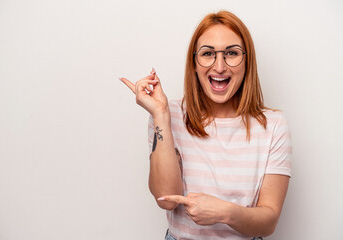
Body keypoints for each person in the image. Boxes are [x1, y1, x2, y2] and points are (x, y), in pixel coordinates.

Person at [120, 10, 291, 240]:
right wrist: (160, 114)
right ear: (194, 63)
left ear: (247, 61)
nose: (219, 67)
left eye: (231, 53)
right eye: (208, 53)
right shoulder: (167, 115)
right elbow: (165, 198)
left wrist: (225, 212)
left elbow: (268, 222)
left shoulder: (273, 126)